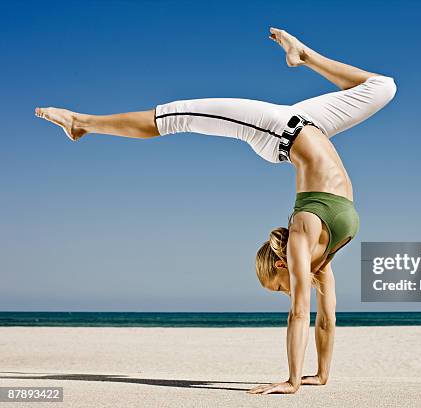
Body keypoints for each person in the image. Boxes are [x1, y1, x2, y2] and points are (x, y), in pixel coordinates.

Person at [35, 27, 396, 394]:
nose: (284, 292)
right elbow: (325, 318)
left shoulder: (302, 237)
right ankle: (303, 56)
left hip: (278, 132)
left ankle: (83, 123)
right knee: (383, 87)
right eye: (278, 290)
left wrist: (291, 380)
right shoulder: (322, 257)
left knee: (179, 115)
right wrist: (316, 375)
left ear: (282, 262)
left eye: (277, 287)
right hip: (304, 127)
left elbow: (302, 313)